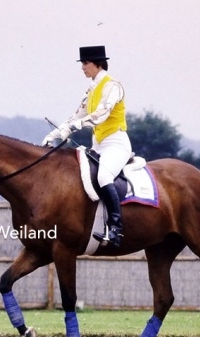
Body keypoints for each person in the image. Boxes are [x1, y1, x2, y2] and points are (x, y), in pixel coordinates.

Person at [42, 45, 132, 248]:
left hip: (116, 144)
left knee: (104, 176)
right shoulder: (91, 89)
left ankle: (116, 228)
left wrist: (78, 125)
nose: (82, 68)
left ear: (97, 64)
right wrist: (55, 134)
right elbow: (77, 117)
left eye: (85, 63)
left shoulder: (113, 86)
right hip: (98, 146)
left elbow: (101, 114)